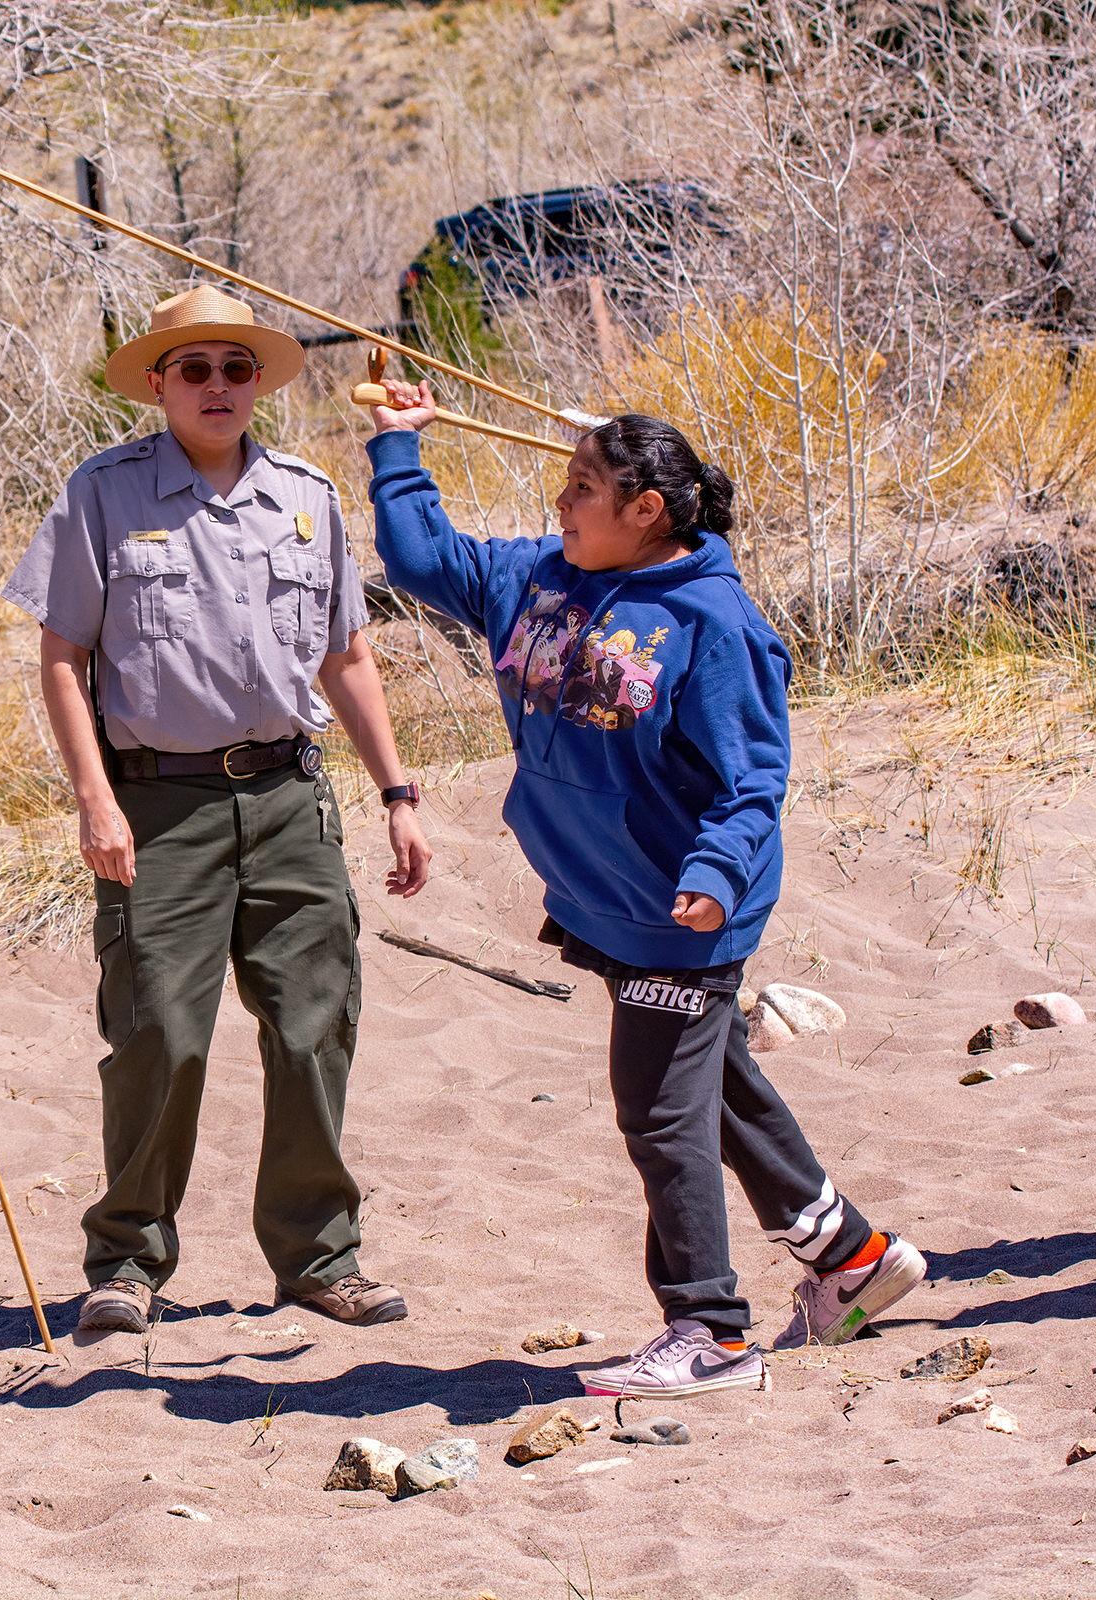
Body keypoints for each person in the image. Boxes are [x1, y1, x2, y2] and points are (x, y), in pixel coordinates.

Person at [362, 383, 924, 1397]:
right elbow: (419, 557)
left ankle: (707, 1328)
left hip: (686, 903)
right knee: (706, 1086)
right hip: (605, 896)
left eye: (583, 489)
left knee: (659, 1110)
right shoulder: (538, 575)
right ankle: (851, 1255)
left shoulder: (715, 622)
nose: (562, 503)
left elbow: (753, 777)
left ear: (647, 511)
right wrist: (397, 449)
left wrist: (712, 877)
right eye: (567, 484)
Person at [4, 285, 434, 1335]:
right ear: (157, 381)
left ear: (259, 383)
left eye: (236, 369)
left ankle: (318, 1257)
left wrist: (397, 792)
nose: (217, 387)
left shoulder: (306, 497)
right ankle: (127, 1262)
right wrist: (94, 801)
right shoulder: (103, 495)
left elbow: (347, 655)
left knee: (312, 1028)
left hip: (290, 797)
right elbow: (61, 658)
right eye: (194, 368)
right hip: (159, 808)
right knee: (160, 1036)